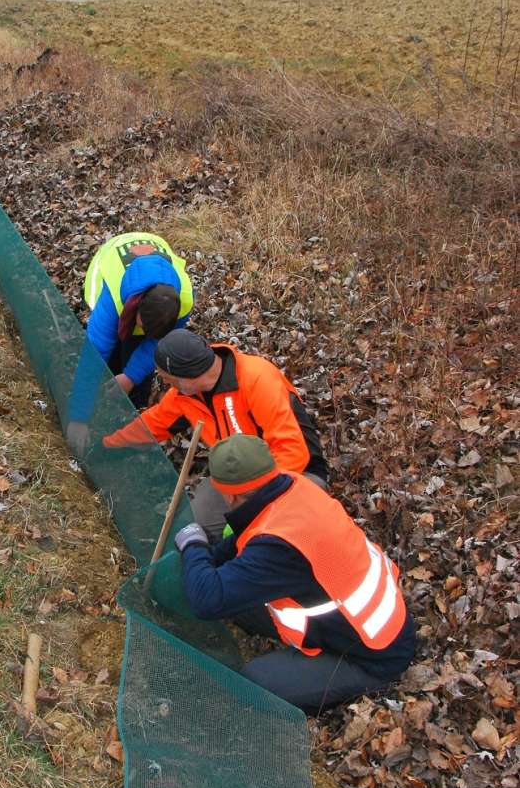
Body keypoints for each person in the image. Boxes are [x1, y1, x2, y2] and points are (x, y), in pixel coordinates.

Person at [161, 435, 414, 713]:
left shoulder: (279, 547)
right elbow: (241, 543)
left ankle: (348, 679)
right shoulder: (292, 487)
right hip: (363, 620)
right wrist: (209, 557)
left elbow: (207, 600)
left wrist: (194, 545)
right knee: (236, 599)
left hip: (371, 655)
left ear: (229, 495)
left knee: (254, 683)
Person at [103, 328, 327, 538]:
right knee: (191, 530)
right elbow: (151, 425)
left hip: (295, 476)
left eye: (166, 378)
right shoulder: (184, 395)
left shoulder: (256, 379)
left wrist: (249, 504)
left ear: (185, 376)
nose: (164, 383)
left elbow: (293, 452)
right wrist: (104, 446)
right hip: (234, 474)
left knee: (264, 540)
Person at [66, 233, 194, 458]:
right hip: (109, 263)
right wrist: (78, 418)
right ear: (136, 308)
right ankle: (100, 402)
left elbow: (155, 342)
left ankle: (128, 417)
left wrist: (131, 376)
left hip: (148, 275)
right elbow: (93, 357)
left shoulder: (182, 301)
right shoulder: (112, 299)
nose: (145, 334)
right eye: (143, 327)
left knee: (136, 372)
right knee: (112, 355)